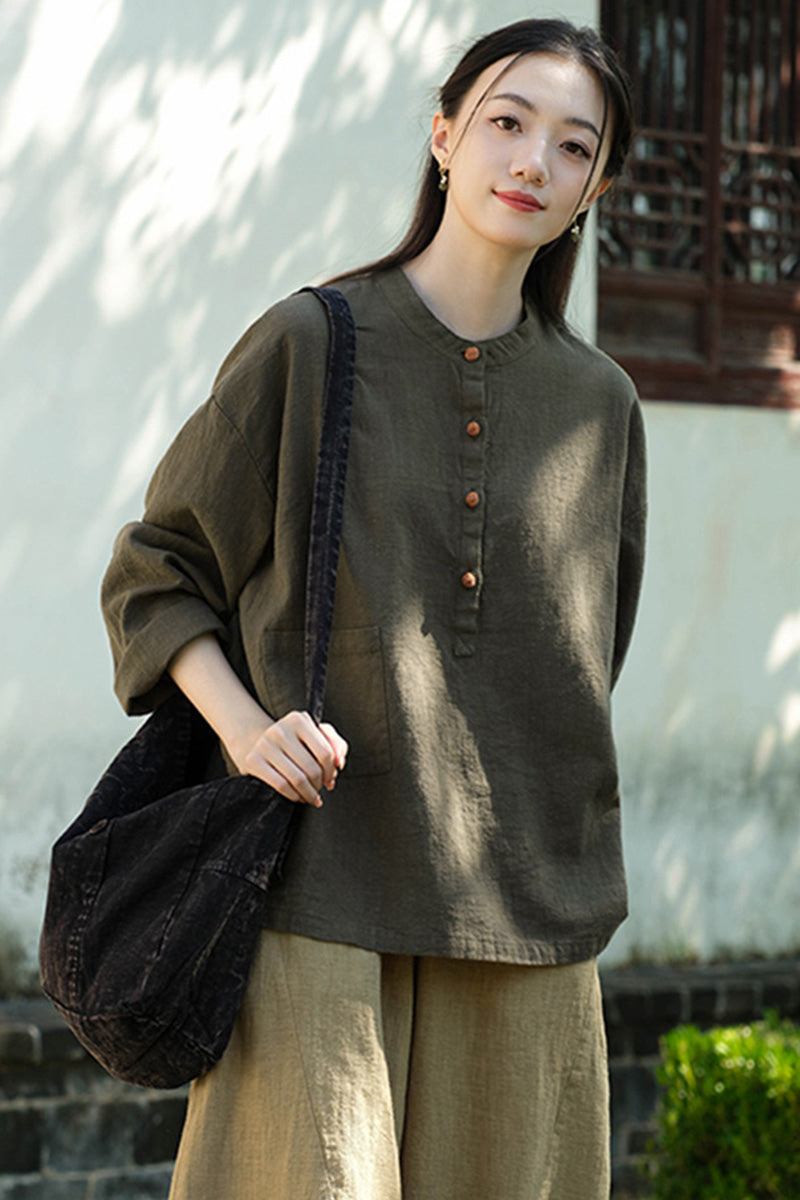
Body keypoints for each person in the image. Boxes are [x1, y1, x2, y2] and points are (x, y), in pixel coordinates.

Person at [100, 15, 647, 1200]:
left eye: (570, 146)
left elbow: (590, 650)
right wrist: (249, 733)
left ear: (593, 186)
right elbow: (158, 568)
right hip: (319, 891)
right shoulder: (311, 342)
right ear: (444, 135)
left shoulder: (600, 406)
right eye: (506, 123)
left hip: (530, 915)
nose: (530, 164)